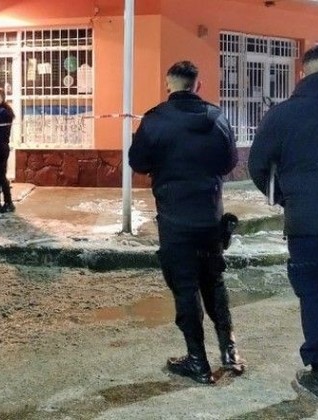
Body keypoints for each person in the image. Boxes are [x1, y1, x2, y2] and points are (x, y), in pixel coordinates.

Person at [129, 61, 243, 384]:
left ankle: (198, 361)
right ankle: (230, 351)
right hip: (210, 216)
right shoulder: (217, 117)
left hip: (174, 217)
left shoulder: (155, 120)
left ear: (169, 85)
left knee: (185, 287)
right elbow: (230, 162)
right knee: (214, 281)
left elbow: (137, 161)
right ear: (197, 85)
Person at [249, 45, 318, 405]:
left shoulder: (282, 115)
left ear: (302, 73)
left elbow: (258, 165)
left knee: (317, 296)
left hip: (309, 225)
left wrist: (288, 199)